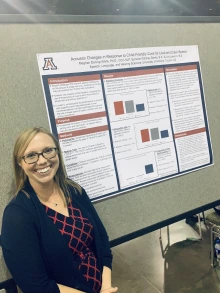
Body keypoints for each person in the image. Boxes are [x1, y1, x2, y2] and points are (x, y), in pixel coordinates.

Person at [1, 127, 118, 293]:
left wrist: (106, 286)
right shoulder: (17, 215)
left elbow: (101, 239)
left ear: (57, 153)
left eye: (48, 151)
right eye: (31, 155)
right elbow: (35, 285)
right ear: (20, 163)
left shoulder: (74, 191)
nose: (42, 161)